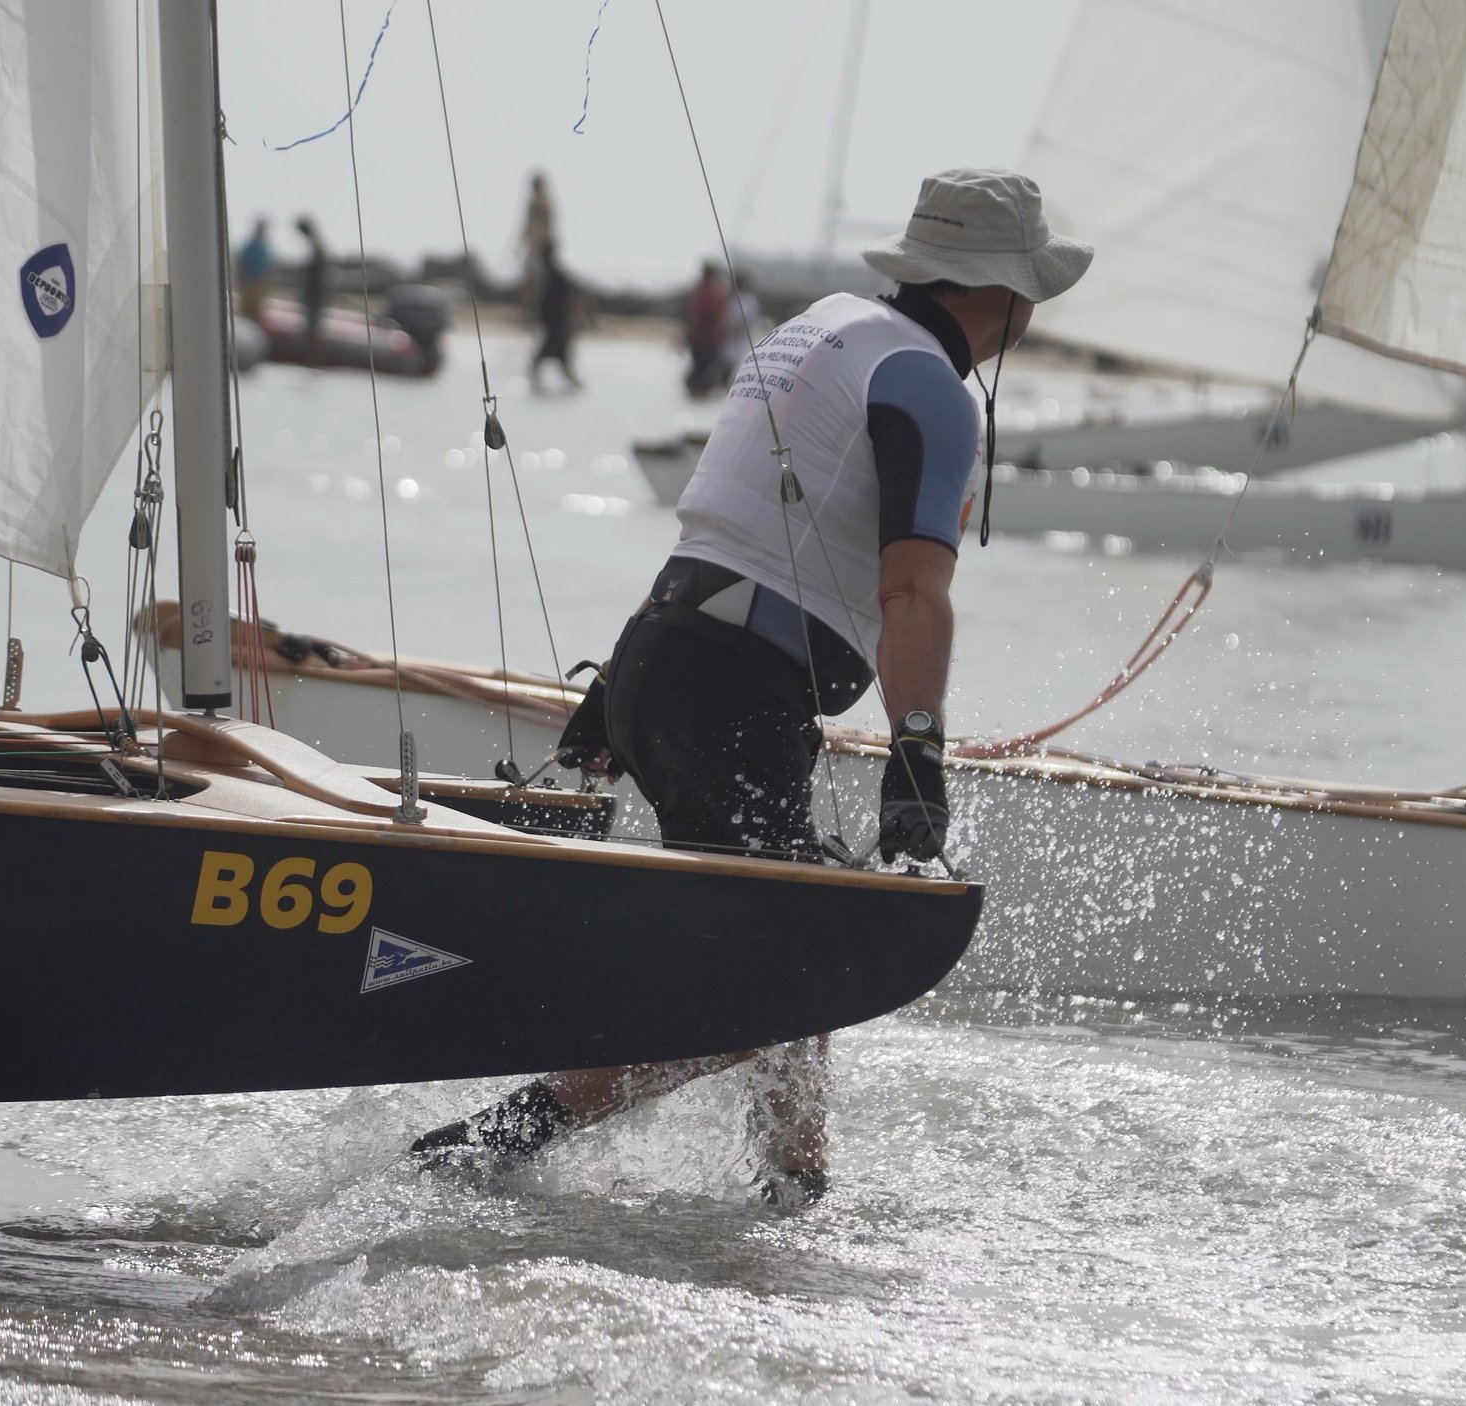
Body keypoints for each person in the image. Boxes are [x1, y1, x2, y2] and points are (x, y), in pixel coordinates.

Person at [410, 168, 1092, 1207]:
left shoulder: (821, 327)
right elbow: (913, 592)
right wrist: (917, 757)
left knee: (791, 928)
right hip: (727, 687)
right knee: (786, 970)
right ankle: (488, 1144)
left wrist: (618, 694)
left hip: (664, 652)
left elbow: (726, 523)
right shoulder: (931, 389)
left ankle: (793, 1186)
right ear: (1005, 289)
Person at [527, 238, 582, 391]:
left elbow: (569, 302)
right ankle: (575, 390)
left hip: (557, 328)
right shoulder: (550, 275)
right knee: (561, 365)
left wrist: (569, 326)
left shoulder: (556, 277)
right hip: (553, 327)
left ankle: (537, 390)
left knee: (540, 362)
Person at [681, 260, 730, 398]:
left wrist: (688, 335)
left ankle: (697, 394)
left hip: (704, 338)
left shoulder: (703, 293)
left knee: (700, 370)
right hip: (711, 338)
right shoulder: (716, 293)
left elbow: (696, 317)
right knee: (703, 369)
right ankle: (699, 396)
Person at [518, 172, 554, 319]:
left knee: (535, 279)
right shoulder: (546, 200)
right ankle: (531, 311)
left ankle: (531, 312)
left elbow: (534, 222)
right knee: (535, 278)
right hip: (539, 244)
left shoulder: (540, 202)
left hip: (538, 245)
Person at [294, 215, 329, 357]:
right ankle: (312, 357)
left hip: (316, 295)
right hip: (313, 294)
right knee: (311, 328)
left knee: (313, 329)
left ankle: (314, 358)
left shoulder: (317, 245)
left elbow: (323, 269)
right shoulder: (315, 244)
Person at [234, 217, 274, 320]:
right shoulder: (249, 246)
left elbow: (268, 269)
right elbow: (242, 264)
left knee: (256, 313)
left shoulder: (265, 248)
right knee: (246, 313)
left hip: (259, 285)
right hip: (248, 284)